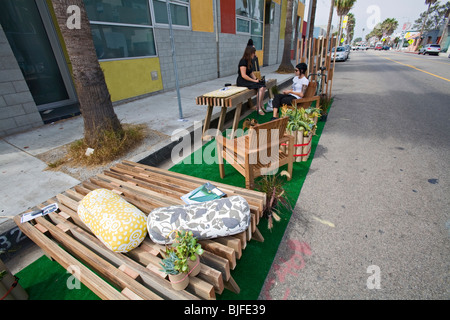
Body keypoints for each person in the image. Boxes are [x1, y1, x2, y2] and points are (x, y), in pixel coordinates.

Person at [237, 46, 266, 115]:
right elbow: (244, 75)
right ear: (250, 53)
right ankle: (258, 108)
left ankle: (261, 104)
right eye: (253, 53)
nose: (255, 54)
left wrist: (256, 79)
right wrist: (254, 81)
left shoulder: (250, 61)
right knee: (260, 87)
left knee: (263, 85)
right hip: (242, 81)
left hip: (247, 80)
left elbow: (251, 72)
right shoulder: (243, 61)